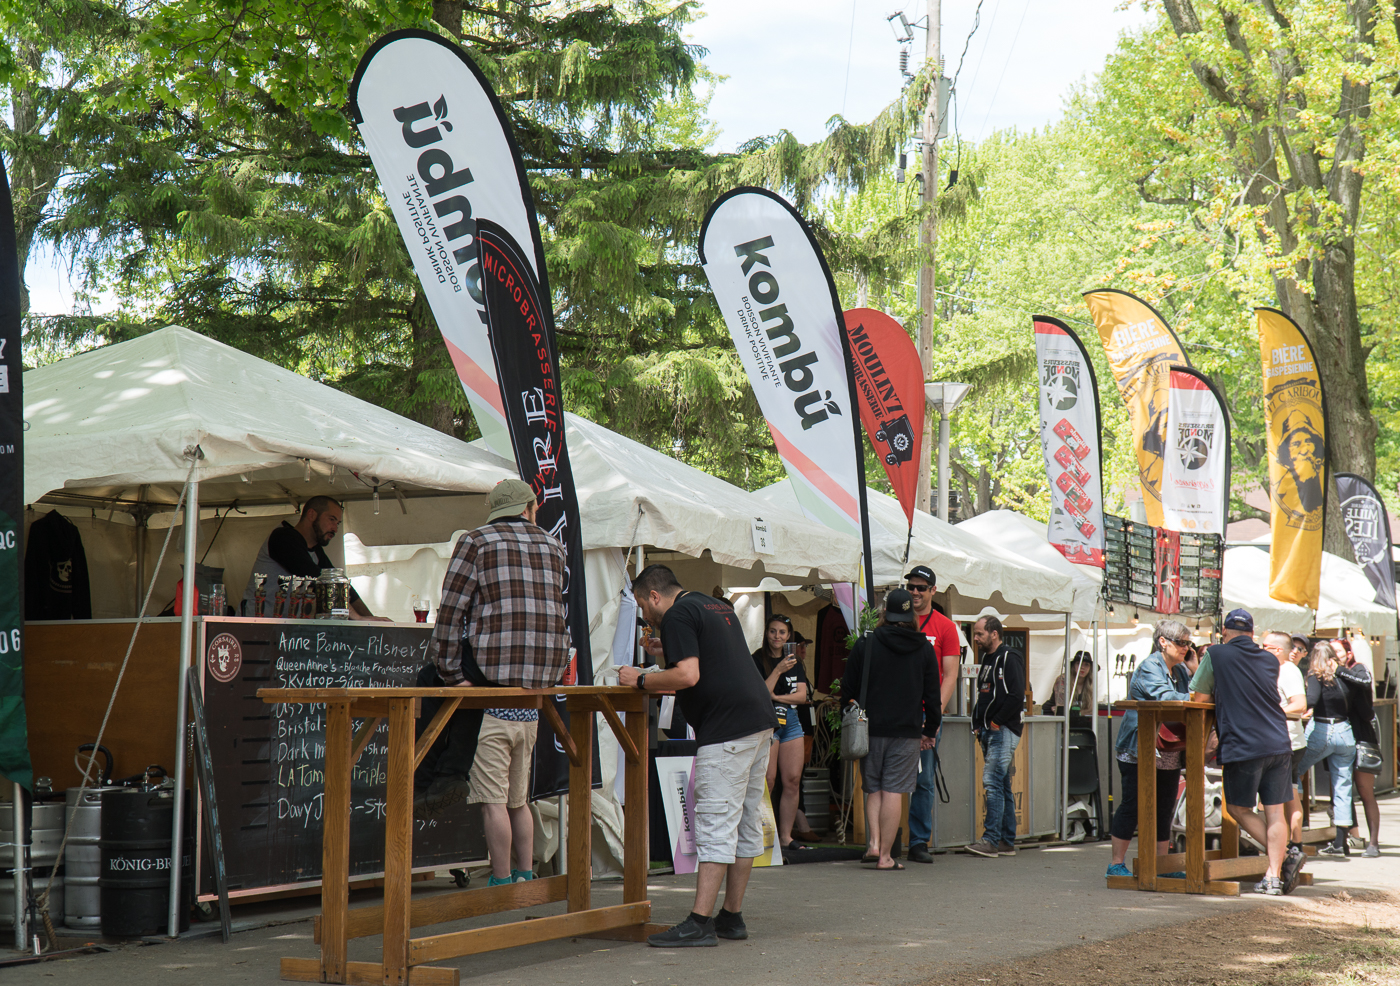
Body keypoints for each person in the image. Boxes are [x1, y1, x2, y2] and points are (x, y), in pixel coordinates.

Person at [416, 479, 572, 892]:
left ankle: (501, 880)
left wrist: (453, 673)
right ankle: (525, 873)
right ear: (530, 508)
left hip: (491, 695)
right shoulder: (554, 546)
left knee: (493, 802)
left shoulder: (476, 540)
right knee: (520, 801)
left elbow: (450, 612)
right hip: (534, 697)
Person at [618, 565, 778, 948]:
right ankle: (731, 916)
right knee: (743, 822)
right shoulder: (712, 605)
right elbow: (711, 659)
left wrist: (639, 678)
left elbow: (688, 675)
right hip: (758, 721)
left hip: (727, 730)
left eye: (642, 604)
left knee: (715, 823)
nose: (644, 615)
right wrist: (666, 651)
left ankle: (700, 922)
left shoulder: (674, 615)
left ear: (653, 596)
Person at [1189, 609, 1295, 894]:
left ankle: (1288, 855)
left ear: (1225, 632)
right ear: (1251, 632)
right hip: (1279, 741)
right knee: (1275, 813)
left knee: (1237, 807)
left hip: (1243, 743)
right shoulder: (1270, 660)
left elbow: (1199, 698)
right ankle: (1273, 877)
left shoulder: (1216, 654)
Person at [841, 589, 941, 871]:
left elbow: (847, 689)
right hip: (907, 731)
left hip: (869, 728)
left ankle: (873, 844)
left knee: (873, 788)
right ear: (911, 615)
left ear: (885, 613)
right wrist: (930, 730)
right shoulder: (924, 648)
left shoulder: (867, 644)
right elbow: (932, 697)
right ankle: (885, 856)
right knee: (894, 790)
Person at [1105, 620, 1192, 879]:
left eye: (1189, 643)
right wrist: (1198, 695)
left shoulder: (1183, 670)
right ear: (1163, 642)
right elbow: (1167, 697)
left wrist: (1196, 671)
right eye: (1181, 642)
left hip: (1168, 747)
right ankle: (1115, 863)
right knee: (1133, 804)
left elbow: (1191, 696)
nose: (1186, 647)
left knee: (1165, 806)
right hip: (1139, 746)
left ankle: (1161, 865)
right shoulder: (1149, 667)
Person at [241, 495, 385, 620]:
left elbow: (343, 588)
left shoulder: (315, 549)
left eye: (338, 523)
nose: (335, 529)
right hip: (255, 626)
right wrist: (357, 617)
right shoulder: (283, 538)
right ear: (311, 515)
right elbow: (320, 583)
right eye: (332, 520)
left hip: (282, 629)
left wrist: (370, 620)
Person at [902, 565, 962, 865]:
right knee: (888, 781)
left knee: (923, 782)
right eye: (911, 586)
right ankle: (882, 843)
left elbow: (950, 675)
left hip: (926, 716)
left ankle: (917, 842)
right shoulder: (896, 621)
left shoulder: (945, 627)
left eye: (921, 588)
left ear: (932, 591)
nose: (915, 592)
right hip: (897, 715)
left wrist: (933, 716)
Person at [965, 615, 1025, 858]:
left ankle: (990, 840)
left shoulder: (1009, 657)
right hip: (992, 730)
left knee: (992, 781)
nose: (976, 638)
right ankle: (1005, 841)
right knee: (1001, 784)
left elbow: (1016, 695)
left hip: (1003, 730)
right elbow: (984, 695)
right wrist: (979, 724)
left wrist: (995, 722)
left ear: (995, 633)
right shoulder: (988, 658)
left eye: (979, 633)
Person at [752, 614, 809, 851]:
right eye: (773, 631)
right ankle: (760, 835)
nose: (777, 636)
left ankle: (785, 836)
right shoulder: (757, 658)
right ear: (767, 633)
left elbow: (803, 696)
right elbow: (758, 692)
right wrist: (777, 671)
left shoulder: (795, 661)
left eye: (782, 632)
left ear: (789, 636)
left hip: (791, 720)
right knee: (768, 779)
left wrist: (777, 697)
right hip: (767, 721)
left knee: (793, 780)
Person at [1297, 641, 1357, 857]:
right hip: (1345, 732)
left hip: (1323, 730)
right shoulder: (1343, 677)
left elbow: (1311, 700)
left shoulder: (1315, 676)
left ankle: (1297, 827)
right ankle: (1341, 844)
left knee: (1293, 771)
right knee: (1343, 787)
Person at [1262, 630, 1308, 886]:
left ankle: (1292, 850)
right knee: (1289, 796)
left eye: (1265, 645)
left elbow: (1299, 704)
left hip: (1288, 743)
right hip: (1287, 741)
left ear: (1278, 650)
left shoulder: (1287, 670)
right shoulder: (1281, 668)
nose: (1260, 648)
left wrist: (1269, 712)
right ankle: (1294, 848)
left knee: (1283, 800)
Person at [1333, 637, 1381, 857]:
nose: (1332, 657)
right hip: (1340, 736)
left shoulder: (1358, 671)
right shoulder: (1329, 674)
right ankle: (1349, 837)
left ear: (1348, 654)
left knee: (1364, 791)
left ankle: (1373, 843)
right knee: (1342, 790)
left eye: (1337, 652)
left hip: (1360, 736)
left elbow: (1366, 708)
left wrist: (1339, 671)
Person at [1045, 651, 1094, 716]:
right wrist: (1081, 713)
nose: (1082, 667)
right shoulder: (1063, 680)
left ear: (1090, 668)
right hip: (1051, 717)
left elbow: (1092, 710)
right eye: (1079, 663)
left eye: (1086, 664)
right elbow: (1061, 711)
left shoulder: (1090, 683)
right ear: (1073, 666)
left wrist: (1079, 713)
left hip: (1076, 720)